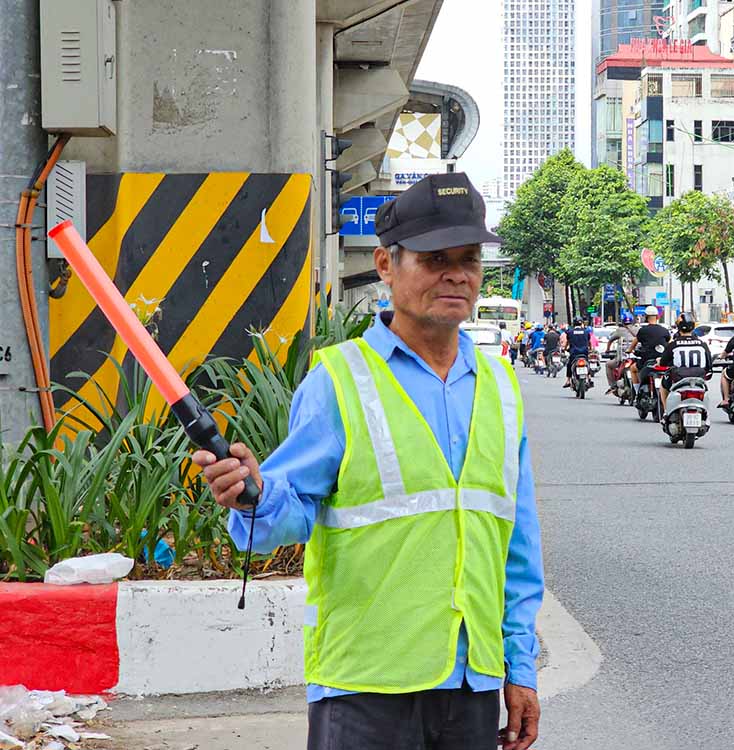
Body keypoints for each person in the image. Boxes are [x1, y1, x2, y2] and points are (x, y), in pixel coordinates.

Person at [192, 173, 543, 750]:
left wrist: (520, 667)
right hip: (364, 685)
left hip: (471, 680)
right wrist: (251, 494)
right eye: (435, 259)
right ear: (385, 264)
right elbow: (282, 515)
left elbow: (517, 542)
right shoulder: (339, 380)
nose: (457, 273)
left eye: (469, 259)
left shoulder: (501, 387)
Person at [658, 314, 713, 410]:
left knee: (663, 386)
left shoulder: (674, 344)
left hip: (678, 379)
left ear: (679, 328)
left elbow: (663, 363)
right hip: (698, 379)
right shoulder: (702, 344)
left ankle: (666, 411)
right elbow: (709, 365)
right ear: (693, 327)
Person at [627, 306, 671, 394]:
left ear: (646, 317)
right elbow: (669, 342)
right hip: (662, 360)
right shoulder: (664, 330)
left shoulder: (643, 331)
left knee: (633, 368)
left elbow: (634, 343)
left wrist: (629, 350)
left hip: (647, 361)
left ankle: (636, 392)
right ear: (658, 317)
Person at [603, 312, 637, 394]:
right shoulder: (638, 329)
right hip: (637, 357)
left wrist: (607, 350)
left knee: (608, 365)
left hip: (623, 358)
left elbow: (610, 340)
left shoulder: (619, 331)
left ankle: (613, 385)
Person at [563, 317, 591, 388]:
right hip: (584, 353)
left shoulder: (570, 332)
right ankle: (589, 377)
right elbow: (589, 342)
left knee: (569, 364)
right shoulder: (586, 331)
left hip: (574, 353)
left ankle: (568, 380)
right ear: (581, 323)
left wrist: (565, 349)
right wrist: (590, 349)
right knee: (587, 363)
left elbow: (568, 342)